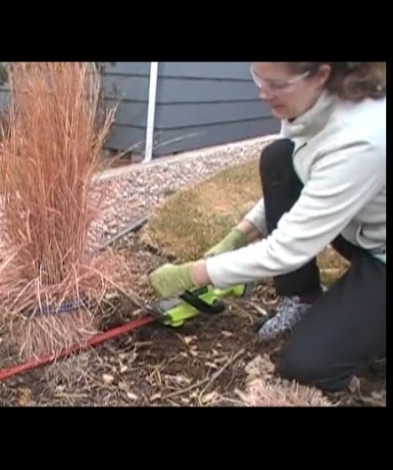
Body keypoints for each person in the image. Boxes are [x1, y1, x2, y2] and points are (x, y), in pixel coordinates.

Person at [149, 62, 386, 393]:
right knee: (278, 156)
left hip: (381, 254)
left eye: (276, 83)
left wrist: (190, 274)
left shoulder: (361, 139)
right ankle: (304, 299)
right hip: (364, 230)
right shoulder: (308, 105)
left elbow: (286, 249)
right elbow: (302, 179)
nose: (262, 93)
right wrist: (239, 235)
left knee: (307, 366)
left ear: (321, 74)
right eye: (258, 78)